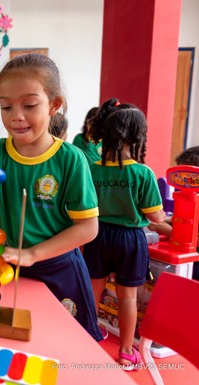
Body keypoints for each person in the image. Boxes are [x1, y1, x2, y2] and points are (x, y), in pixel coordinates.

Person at [0, 53, 103, 341]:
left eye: (29, 105)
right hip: (7, 266)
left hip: (60, 270)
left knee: (65, 344)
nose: (16, 115)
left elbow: (88, 228)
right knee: (11, 342)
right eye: (6, 106)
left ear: (54, 105)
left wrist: (32, 254)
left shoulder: (71, 159)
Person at [83, 97, 166, 370]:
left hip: (96, 235)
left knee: (92, 289)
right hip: (130, 240)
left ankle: (87, 338)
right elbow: (156, 217)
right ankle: (127, 352)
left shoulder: (91, 169)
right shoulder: (142, 173)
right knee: (127, 297)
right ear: (137, 137)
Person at [148, 145, 199, 281]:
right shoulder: (188, 197)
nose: (182, 181)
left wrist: (169, 231)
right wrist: (165, 220)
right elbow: (184, 218)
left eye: (186, 176)